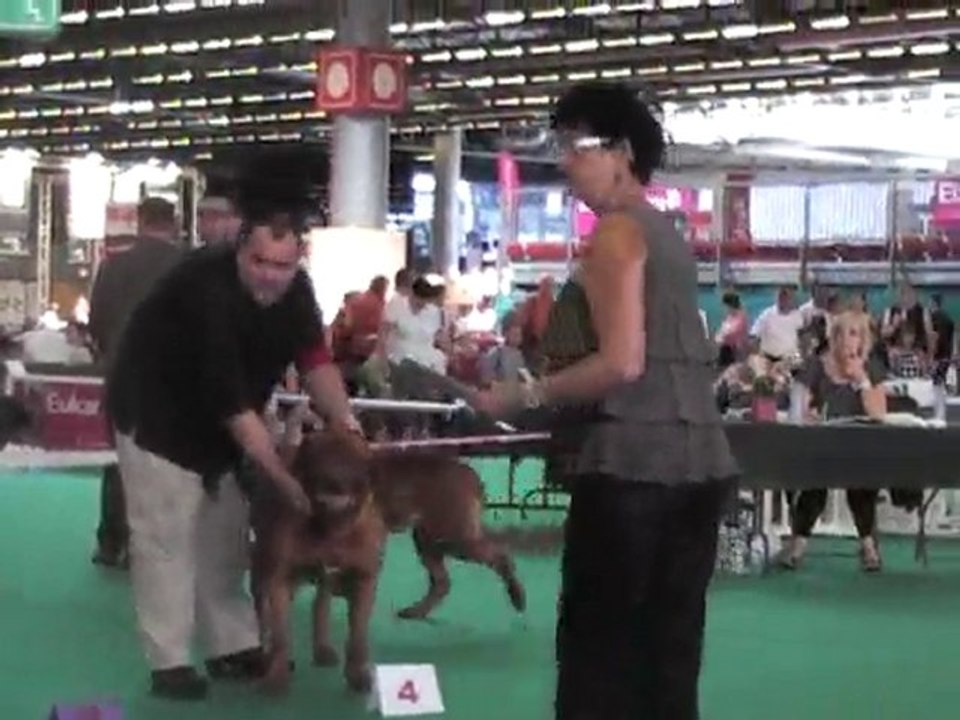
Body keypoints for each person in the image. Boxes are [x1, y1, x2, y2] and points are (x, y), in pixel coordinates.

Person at [474, 82, 738, 720]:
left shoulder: (615, 235)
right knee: (671, 651)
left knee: (599, 651)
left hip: (629, 470)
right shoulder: (668, 235)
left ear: (619, 152)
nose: (564, 163)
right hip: (700, 465)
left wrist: (524, 391)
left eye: (573, 146)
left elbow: (622, 362)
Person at [106, 157, 358, 701]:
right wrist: (281, 479)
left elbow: (316, 363)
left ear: (298, 262)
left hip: (220, 427)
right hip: (155, 417)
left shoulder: (298, 292)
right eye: (260, 261)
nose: (270, 274)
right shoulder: (204, 288)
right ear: (241, 247)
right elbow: (233, 405)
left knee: (224, 540)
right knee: (166, 540)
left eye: (282, 266)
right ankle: (169, 661)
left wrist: (347, 423)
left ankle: (232, 645)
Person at [88, 196, 184, 569]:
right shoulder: (187, 267)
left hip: (122, 377)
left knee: (118, 462)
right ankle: (156, 545)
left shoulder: (114, 266)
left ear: (140, 222)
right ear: (173, 223)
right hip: (173, 381)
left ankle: (112, 542)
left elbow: (96, 322)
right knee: (169, 464)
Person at [779, 311, 887, 572]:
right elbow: (797, 407)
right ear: (835, 337)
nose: (852, 341)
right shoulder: (817, 364)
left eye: (857, 334)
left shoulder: (871, 366)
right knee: (815, 482)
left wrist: (861, 379)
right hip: (821, 446)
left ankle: (868, 545)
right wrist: (807, 414)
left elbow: (879, 413)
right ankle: (799, 544)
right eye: (846, 333)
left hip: (859, 448)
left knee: (861, 483)